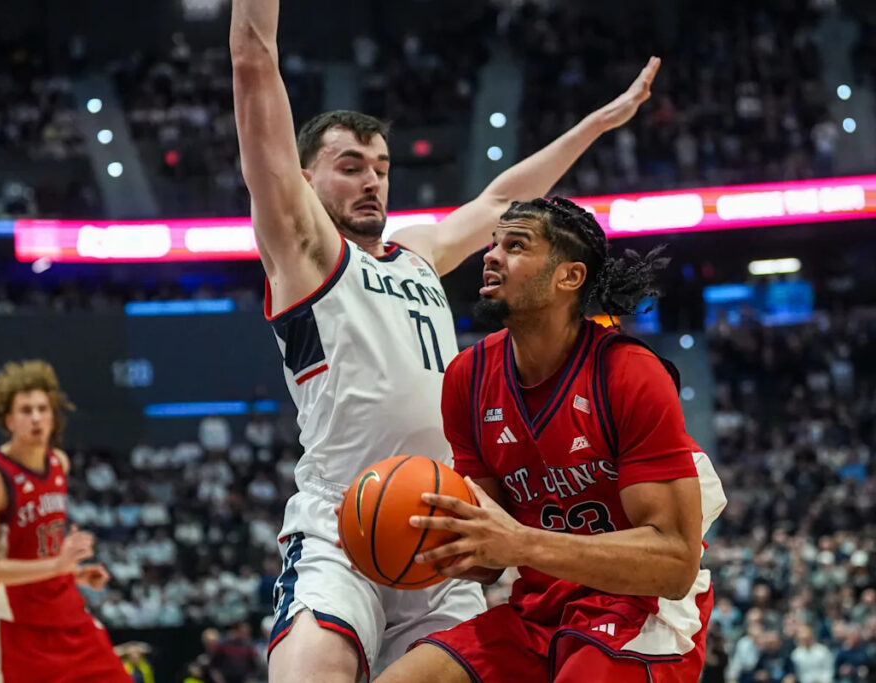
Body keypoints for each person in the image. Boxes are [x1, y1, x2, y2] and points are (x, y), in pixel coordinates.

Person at [230, 1, 660, 680]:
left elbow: (499, 204)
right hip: (344, 524)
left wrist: (596, 124)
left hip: (446, 532)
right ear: (305, 179)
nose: (371, 179)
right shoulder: (305, 250)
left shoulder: (417, 251)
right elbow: (254, 63)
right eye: (349, 166)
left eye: (380, 165)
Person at [374, 197, 727, 682]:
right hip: (538, 611)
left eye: (516, 245)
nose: (491, 255)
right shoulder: (467, 377)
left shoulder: (629, 373)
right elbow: (487, 561)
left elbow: (674, 563)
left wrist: (520, 543)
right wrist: (415, 539)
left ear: (569, 277)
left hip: (642, 610)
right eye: (493, 243)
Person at [0, 360, 130, 682]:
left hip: (69, 617)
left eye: (42, 408)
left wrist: (74, 574)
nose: (36, 417)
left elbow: (37, 550)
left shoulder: (58, 463)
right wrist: (58, 566)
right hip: (19, 630)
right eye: (26, 410)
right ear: (8, 419)